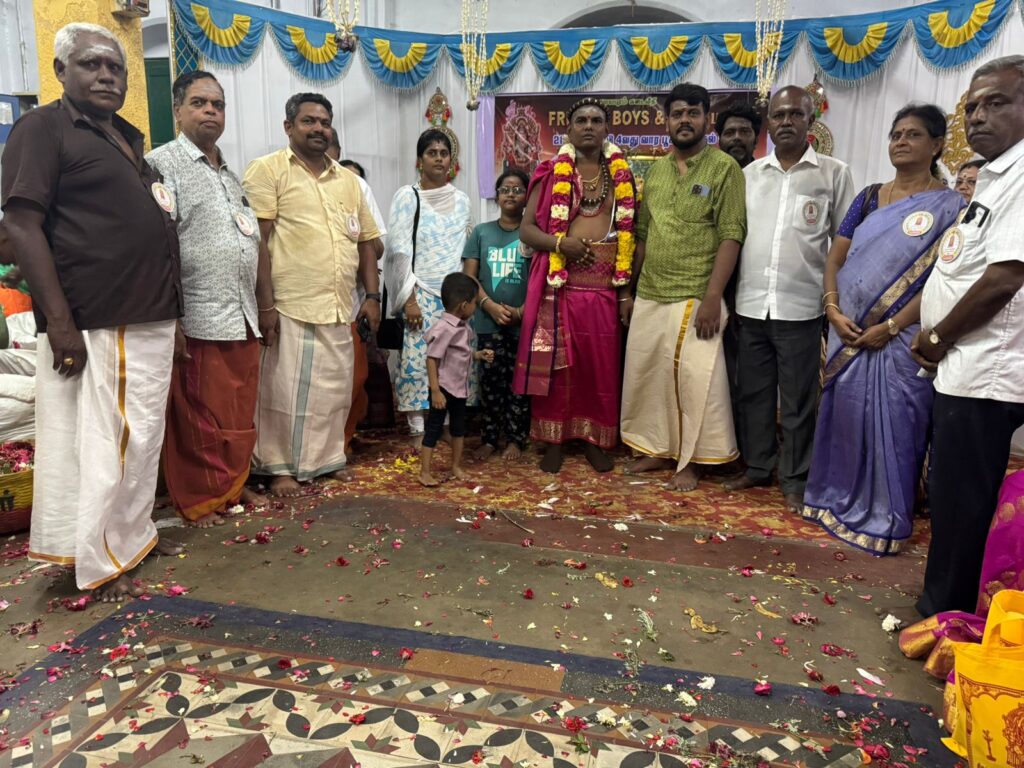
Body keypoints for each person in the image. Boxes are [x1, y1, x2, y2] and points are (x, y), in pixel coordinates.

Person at [1, 22, 183, 600]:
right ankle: (97, 555)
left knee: (140, 440)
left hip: (149, 314)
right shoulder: (43, 128)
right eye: (91, 64)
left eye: (115, 68)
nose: (107, 76)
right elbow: (20, 224)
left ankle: (129, 537)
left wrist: (173, 315)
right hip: (99, 316)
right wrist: (59, 322)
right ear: (61, 71)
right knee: (103, 444)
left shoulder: (125, 137)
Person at [804, 104, 964, 553]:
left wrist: (891, 325)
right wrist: (832, 309)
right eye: (896, 134)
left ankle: (885, 517)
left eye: (913, 134)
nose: (901, 141)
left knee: (898, 425)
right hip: (847, 331)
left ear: (936, 145)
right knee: (845, 418)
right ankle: (830, 500)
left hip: (902, 340)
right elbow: (835, 259)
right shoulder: (870, 197)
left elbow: (942, 282)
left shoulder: (953, 207)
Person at [912, 55, 1024, 616]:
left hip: (985, 368)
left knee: (961, 500)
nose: (977, 116)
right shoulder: (996, 175)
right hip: (967, 364)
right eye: (972, 106)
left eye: (995, 103)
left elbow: (1005, 276)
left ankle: (944, 616)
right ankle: (951, 601)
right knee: (957, 498)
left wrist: (937, 339)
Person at [242, 93, 381, 496]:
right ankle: (278, 467)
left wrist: (372, 297)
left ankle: (325, 460)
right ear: (289, 127)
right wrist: (265, 304)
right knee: (282, 393)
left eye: (324, 122)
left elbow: (366, 242)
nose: (318, 128)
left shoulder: (349, 181)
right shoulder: (268, 170)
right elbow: (257, 242)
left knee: (332, 392)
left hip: (338, 304)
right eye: (309, 121)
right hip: (288, 303)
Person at [146, 71, 268, 528]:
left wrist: (265, 306)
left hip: (241, 314)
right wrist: (171, 318)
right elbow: (156, 247)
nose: (211, 111)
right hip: (197, 314)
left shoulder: (231, 175)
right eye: (199, 103)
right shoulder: (161, 165)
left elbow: (252, 242)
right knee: (199, 417)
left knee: (237, 412)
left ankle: (232, 486)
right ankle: (202, 498)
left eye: (217, 104)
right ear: (177, 111)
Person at [727, 86, 855, 513]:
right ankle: (758, 466)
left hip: (801, 307)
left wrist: (834, 301)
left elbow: (844, 244)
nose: (785, 122)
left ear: (810, 120)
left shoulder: (834, 174)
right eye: (779, 115)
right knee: (753, 394)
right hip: (751, 303)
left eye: (795, 115)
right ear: (769, 122)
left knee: (799, 401)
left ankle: (795, 478)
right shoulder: (749, 175)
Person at [620, 83, 747, 491]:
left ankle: (694, 459)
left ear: (708, 119)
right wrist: (629, 291)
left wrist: (713, 297)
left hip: (697, 293)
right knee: (650, 374)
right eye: (677, 113)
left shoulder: (724, 168)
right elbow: (642, 235)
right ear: (667, 121)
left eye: (693, 112)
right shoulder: (656, 172)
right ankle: (657, 448)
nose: (685, 120)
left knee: (697, 381)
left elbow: (731, 234)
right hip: (651, 291)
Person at [514, 98, 637, 474]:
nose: (588, 126)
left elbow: (631, 233)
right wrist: (559, 244)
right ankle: (554, 440)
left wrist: (625, 292)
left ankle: (593, 440)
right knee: (557, 370)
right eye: (581, 120)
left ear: (606, 129)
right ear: (568, 130)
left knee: (600, 369)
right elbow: (527, 230)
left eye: (596, 121)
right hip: (561, 286)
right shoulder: (551, 172)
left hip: (603, 290)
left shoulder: (621, 175)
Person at [383, 129, 472, 445]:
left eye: (444, 153)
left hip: (453, 299)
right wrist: (408, 299)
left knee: (452, 360)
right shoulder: (408, 196)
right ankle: (417, 428)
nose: (438, 158)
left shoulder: (462, 200)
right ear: (419, 159)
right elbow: (398, 250)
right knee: (417, 361)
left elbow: (464, 249)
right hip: (419, 291)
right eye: (432, 153)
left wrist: (465, 299)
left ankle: (443, 424)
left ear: (451, 160)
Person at [324, 132, 393, 445]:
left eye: (327, 144)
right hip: (301, 300)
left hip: (348, 299)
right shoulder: (284, 178)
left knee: (352, 375)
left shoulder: (355, 186)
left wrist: (372, 297)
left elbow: (375, 247)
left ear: (337, 151)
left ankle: (342, 440)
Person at [463, 169, 531, 461]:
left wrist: (521, 312)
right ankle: (490, 439)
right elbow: (469, 277)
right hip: (487, 322)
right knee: (490, 382)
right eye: (505, 189)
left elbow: (542, 278)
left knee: (520, 383)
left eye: (517, 189)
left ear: (527, 196)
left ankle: (516, 440)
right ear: (497, 196)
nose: (511, 194)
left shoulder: (532, 234)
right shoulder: (481, 232)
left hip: (523, 324)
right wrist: (488, 305)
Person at [419, 273, 494, 486]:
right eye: (474, 303)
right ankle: (424, 471)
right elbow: (432, 359)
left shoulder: (463, 327)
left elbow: (461, 354)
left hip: (459, 390)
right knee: (433, 429)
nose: (475, 307)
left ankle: (455, 466)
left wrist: (478, 355)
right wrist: (435, 391)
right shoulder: (445, 329)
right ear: (464, 305)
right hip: (443, 389)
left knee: (459, 429)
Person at [715, 103, 761, 169]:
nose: (737, 137)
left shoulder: (767, 174)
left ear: (756, 141)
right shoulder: (707, 174)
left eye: (744, 132)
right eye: (729, 133)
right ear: (719, 141)